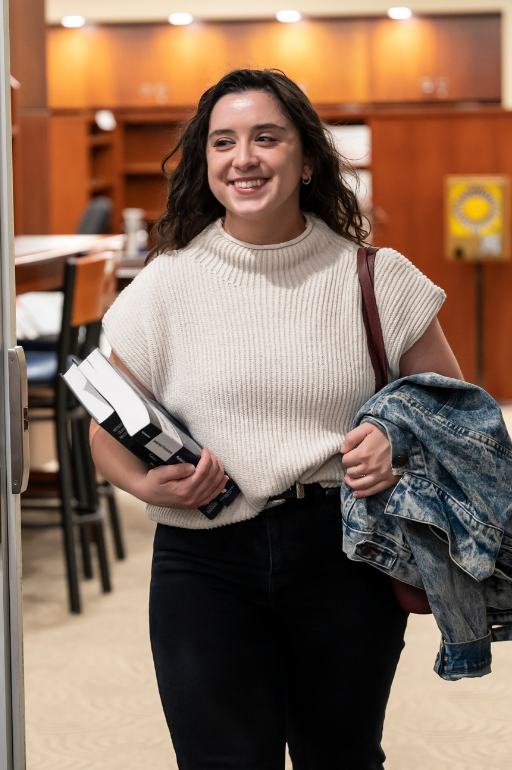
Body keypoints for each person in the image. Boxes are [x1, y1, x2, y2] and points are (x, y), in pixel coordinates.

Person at [90, 68, 463, 770]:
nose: (245, 158)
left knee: (341, 758)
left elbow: (456, 411)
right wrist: (144, 488)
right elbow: (100, 431)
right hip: (203, 562)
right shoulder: (166, 285)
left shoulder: (377, 277)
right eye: (223, 142)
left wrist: (396, 440)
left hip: (342, 552)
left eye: (267, 137)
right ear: (206, 165)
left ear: (308, 159)